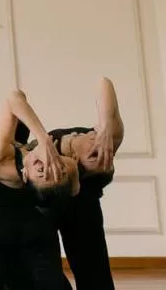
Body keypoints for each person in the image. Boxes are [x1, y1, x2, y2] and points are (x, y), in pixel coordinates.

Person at [0, 90, 80, 290]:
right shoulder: (66, 167)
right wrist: (45, 141)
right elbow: (16, 95)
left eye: (41, 174)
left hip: (31, 227)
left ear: (24, 174)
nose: (46, 166)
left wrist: (43, 140)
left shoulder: (2, 164)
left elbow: (12, 100)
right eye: (53, 170)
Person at [48, 77, 124, 290]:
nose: (97, 151)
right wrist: (107, 124)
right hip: (50, 204)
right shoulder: (107, 137)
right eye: (103, 154)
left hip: (78, 204)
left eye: (95, 159)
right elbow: (104, 82)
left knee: (93, 272)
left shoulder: (82, 186)